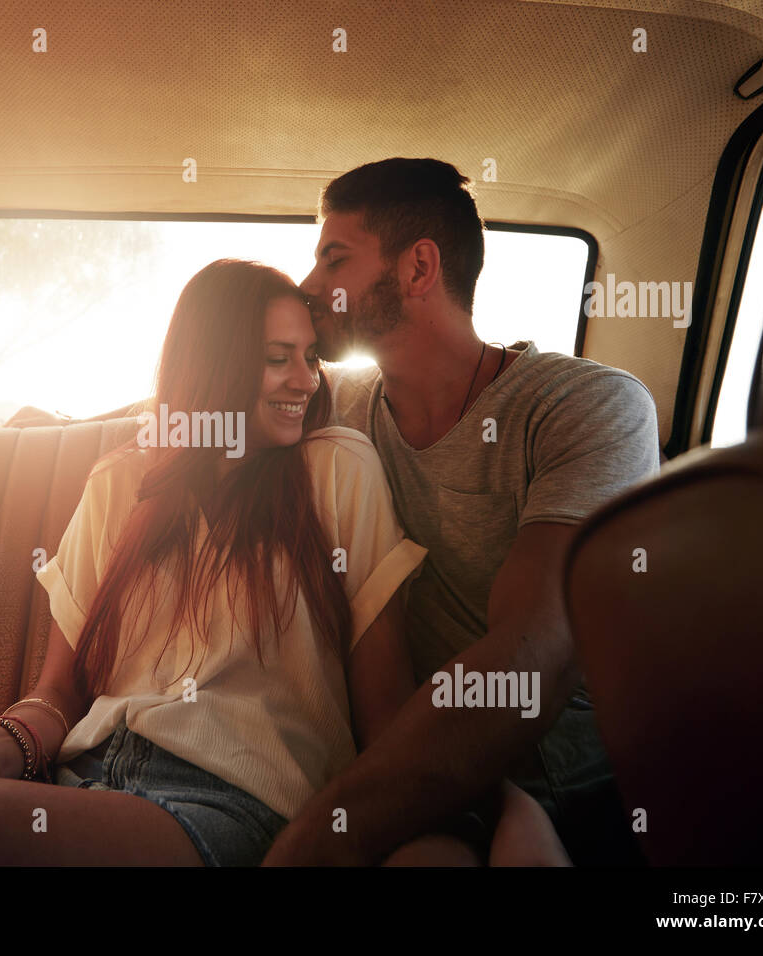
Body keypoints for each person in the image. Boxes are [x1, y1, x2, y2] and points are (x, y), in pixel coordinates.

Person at [0, 258, 571, 866]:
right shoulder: (119, 482)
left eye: (310, 358)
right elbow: (57, 695)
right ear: (212, 366)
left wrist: (488, 802)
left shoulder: (337, 468)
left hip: (221, 806)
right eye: (278, 359)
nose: (306, 379)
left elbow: (385, 719)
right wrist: (0, 742)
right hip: (79, 771)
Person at [262, 158, 660, 866]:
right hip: (409, 780)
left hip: (573, 794)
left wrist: (317, 837)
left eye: (334, 258)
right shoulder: (346, 403)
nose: (309, 285)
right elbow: (214, 402)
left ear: (418, 269)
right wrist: (41, 423)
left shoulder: (586, 407)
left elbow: (534, 652)